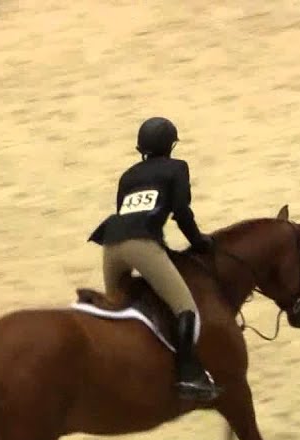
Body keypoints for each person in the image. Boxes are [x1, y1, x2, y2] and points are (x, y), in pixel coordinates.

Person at [86, 116, 220, 402]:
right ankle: (188, 376)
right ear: (171, 145)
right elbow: (181, 212)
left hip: (110, 245)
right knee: (185, 308)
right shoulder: (176, 168)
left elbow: (129, 213)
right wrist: (199, 241)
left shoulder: (128, 176)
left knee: (117, 315)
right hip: (140, 245)